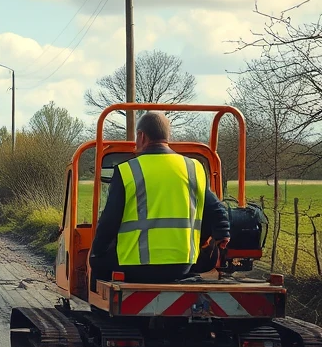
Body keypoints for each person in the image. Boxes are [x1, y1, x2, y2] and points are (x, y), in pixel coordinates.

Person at [89, 111, 231, 285]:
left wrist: (97, 252)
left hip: (136, 267)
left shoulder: (127, 171)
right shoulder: (193, 168)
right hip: (182, 265)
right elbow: (216, 209)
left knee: (97, 261)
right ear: (167, 136)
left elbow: (109, 221)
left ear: (141, 136)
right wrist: (222, 234)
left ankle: (98, 308)